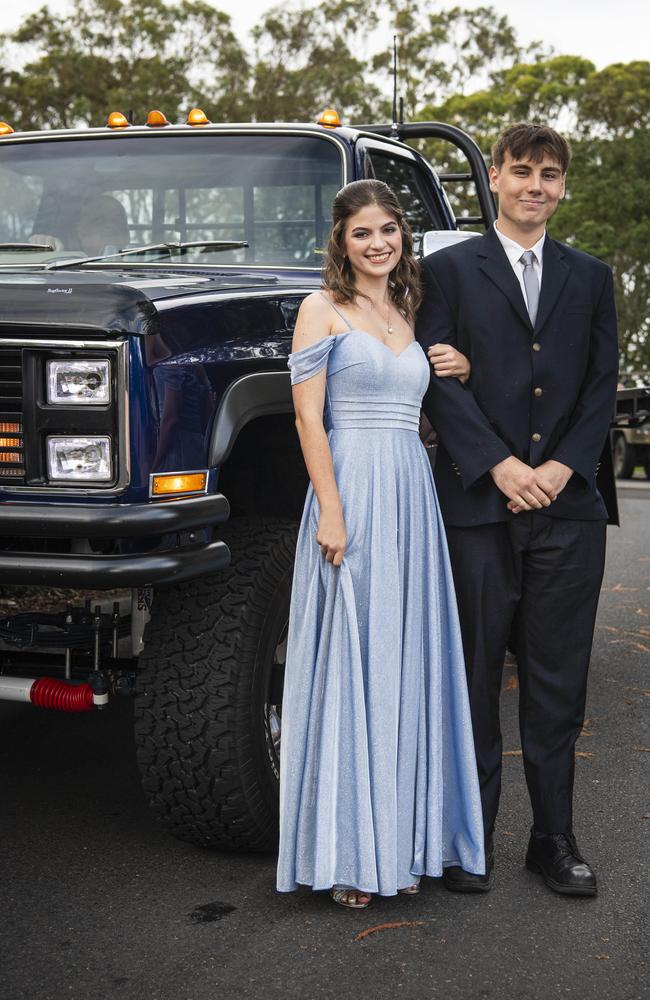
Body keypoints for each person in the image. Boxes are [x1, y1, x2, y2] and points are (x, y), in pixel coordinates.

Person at [416, 122, 619, 896]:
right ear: (494, 178)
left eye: (551, 175)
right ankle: (472, 841)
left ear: (563, 186)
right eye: (523, 171)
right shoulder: (447, 270)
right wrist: (499, 464)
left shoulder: (592, 277)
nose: (537, 185)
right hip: (477, 507)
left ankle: (553, 838)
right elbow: (433, 373)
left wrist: (562, 468)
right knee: (472, 679)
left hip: (567, 513)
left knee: (556, 684)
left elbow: (602, 387)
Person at [276, 179, 485, 908]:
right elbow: (308, 421)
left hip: (411, 494)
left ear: (403, 238)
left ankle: (403, 837)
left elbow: (418, 400)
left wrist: (450, 365)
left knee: (404, 662)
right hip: (353, 491)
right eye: (362, 232)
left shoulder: (406, 310)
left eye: (388, 231)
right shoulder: (320, 309)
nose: (377, 244)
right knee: (352, 663)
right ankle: (347, 854)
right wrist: (331, 512)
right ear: (341, 241)